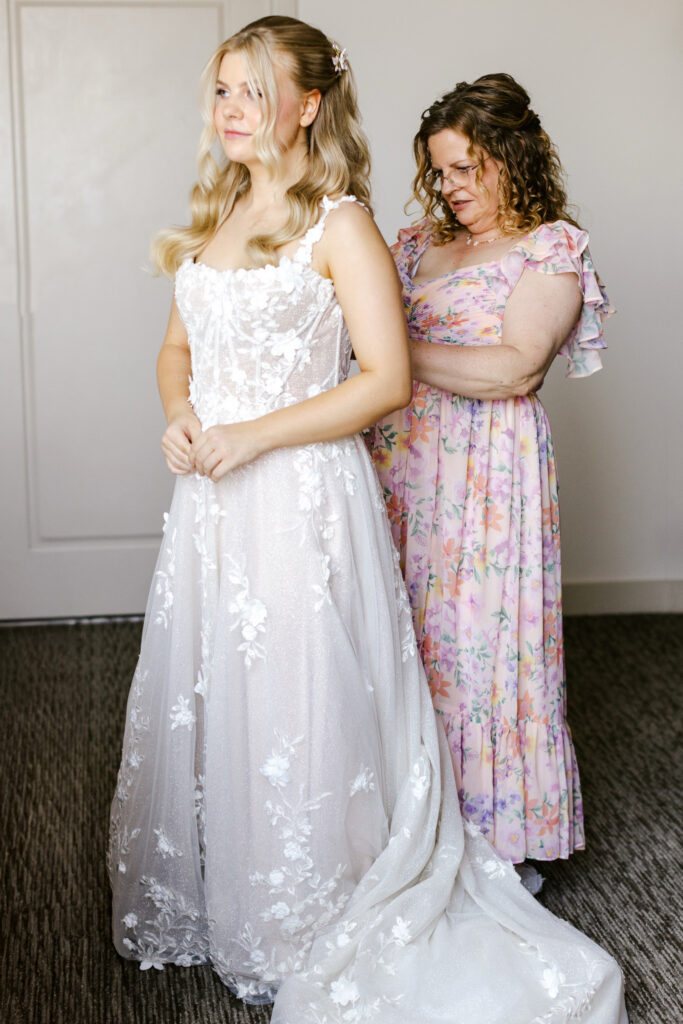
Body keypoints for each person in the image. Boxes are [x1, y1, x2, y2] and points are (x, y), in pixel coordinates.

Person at [108, 19, 627, 1022]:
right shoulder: (218, 212)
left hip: (298, 488)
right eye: (222, 91)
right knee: (225, 685)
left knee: (309, 688)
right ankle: (236, 883)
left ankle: (322, 892)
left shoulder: (341, 225)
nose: (230, 111)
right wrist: (180, 415)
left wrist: (253, 432)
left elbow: (389, 376)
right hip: (212, 501)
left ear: (307, 105)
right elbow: (179, 351)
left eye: (252, 91)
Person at [368, 74, 614, 869]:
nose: (449, 186)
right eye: (438, 171)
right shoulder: (413, 245)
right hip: (399, 462)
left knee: (477, 643)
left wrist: (389, 356)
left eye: (466, 168)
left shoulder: (550, 249)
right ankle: (402, 825)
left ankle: (498, 843)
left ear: (513, 158)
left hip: (486, 473)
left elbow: (514, 368)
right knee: (399, 633)